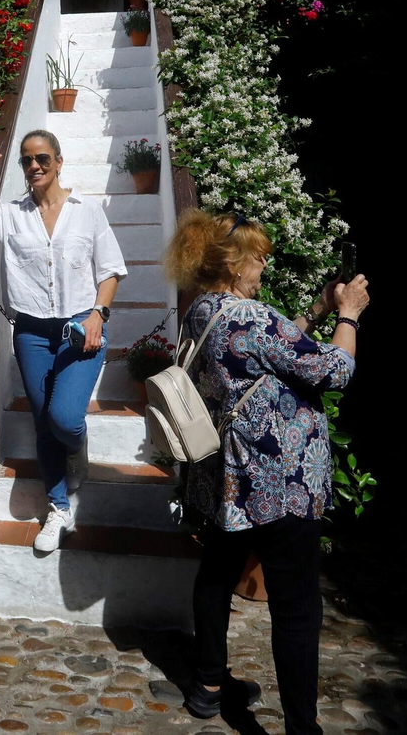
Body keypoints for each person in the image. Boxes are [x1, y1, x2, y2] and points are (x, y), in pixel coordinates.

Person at [163, 209, 370, 731]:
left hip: (227, 485)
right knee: (297, 609)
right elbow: (334, 370)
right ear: (233, 265)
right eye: (258, 256)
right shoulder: (253, 319)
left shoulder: (202, 311)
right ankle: (302, 728)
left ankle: (209, 685)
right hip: (280, 484)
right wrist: (348, 316)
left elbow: (263, 358)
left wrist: (316, 311)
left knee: (215, 575)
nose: (263, 264)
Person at [0, 129, 127, 554]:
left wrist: (98, 313)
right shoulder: (11, 215)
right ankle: (58, 506)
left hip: (82, 328)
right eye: (27, 160)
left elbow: (110, 271)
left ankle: (76, 446)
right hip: (31, 332)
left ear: (59, 162)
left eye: (42, 158)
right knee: (43, 419)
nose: (34, 166)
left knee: (65, 419)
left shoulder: (88, 212)